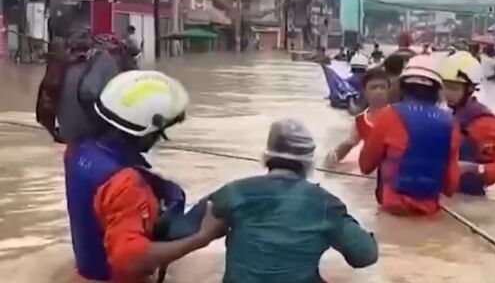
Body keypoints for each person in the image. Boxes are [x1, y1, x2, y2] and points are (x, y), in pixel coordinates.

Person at [64, 70, 222, 282]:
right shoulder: (126, 184)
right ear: (148, 131)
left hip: (87, 270)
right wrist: (202, 238)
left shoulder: (78, 149)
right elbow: (129, 261)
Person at [195, 118, 378, 282]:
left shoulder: (232, 192)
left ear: (267, 157)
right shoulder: (326, 204)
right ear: (308, 163)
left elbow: (182, 229)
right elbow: (365, 256)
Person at [359, 55, 460, 216]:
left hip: (391, 212)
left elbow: (365, 166)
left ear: (402, 87)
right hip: (429, 214)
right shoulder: (451, 123)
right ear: (437, 90)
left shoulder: (387, 115)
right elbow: (450, 186)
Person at [440, 51, 495, 196]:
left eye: (454, 88)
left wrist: (473, 169)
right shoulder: (445, 115)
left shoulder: (483, 122)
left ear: (470, 89)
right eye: (445, 87)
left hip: (469, 200)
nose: (447, 94)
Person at [325, 68, 390, 165]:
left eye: (383, 87)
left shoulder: (400, 115)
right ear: (364, 91)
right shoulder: (360, 120)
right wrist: (331, 160)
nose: (379, 91)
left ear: (389, 90)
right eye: (374, 87)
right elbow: (350, 143)